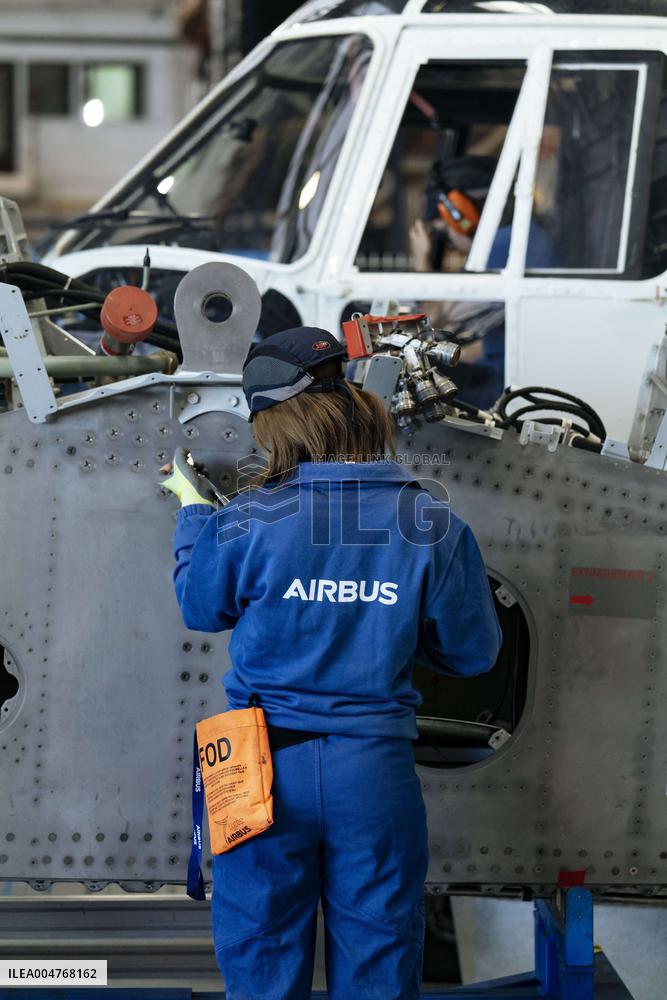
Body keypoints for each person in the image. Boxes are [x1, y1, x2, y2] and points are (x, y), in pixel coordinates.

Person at [160, 325, 502, 1000]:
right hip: (371, 774)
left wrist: (195, 514)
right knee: (377, 962)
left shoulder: (245, 521)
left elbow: (203, 610)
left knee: (261, 958)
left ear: (274, 425)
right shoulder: (431, 524)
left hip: (255, 766)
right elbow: (472, 654)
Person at [409, 155, 556, 407]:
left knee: (405, 376)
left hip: (502, 388)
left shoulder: (500, 247)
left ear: (460, 215)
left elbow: (432, 322)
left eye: (445, 231)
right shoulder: (523, 237)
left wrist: (421, 262)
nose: (452, 244)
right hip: (513, 374)